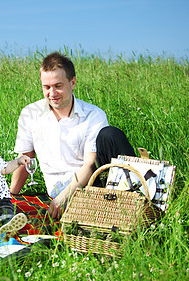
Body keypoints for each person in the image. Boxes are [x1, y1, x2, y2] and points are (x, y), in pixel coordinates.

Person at [10, 52, 135, 219]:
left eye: (58, 86)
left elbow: (91, 164)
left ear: (72, 82)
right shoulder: (30, 113)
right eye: (46, 87)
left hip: (89, 186)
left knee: (110, 135)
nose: (52, 93)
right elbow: (25, 158)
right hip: (54, 193)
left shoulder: (93, 115)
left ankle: (137, 204)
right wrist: (10, 197)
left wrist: (65, 196)